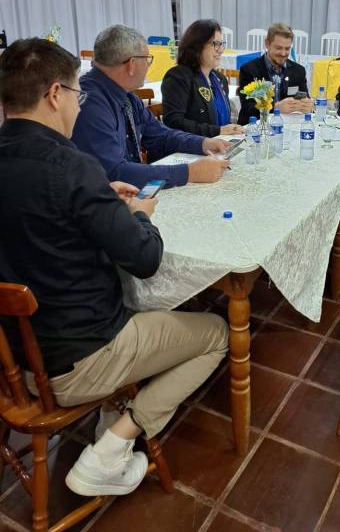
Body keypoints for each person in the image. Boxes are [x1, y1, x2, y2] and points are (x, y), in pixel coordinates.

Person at [0, 38, 228, 496]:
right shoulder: (71, 167)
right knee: (217, 333)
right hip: (78, 358)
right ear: (54, 95)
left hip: (14, 358)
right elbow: (146, 260)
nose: (78, 106)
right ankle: (113, 445)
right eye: (75, 95)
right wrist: (141, 215)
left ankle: (113, 413)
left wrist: (103, 201)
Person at [72, 25, 230, 189]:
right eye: (147, 60)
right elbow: (114, 172)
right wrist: (190, 172)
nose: (149, 66)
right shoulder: (89, 103)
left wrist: (202, 143)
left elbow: (161, 136)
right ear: (132, 64)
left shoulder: (127, 96)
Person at [162, 20, 244, 137]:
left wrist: (233, 129)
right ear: (197, 46)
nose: (221, 50)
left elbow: (222, 121)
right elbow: (174, 122)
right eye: (215, 44)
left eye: (221, 44)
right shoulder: (179, 77)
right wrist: (218, 131)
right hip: (192, 146)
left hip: (221, 142)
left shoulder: (220, 79)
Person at [237, 23, 314, 125]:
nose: (283, 53)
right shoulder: (249, 70)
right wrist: (275, 107)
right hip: (255, 128)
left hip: (288, 128)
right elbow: (248, 108)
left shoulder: (298, 71)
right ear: (267, 43)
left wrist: (307, 106)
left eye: (287, 48)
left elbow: (304, 99)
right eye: (278, 48)